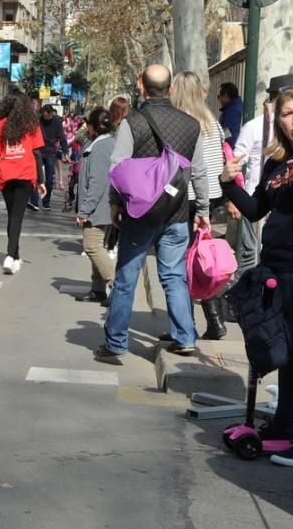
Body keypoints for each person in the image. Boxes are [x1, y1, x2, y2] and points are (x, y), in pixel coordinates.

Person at [95, 65, 210, 361]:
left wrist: (116, 203)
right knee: (174, 276)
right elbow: (199, 171)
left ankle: (116, 342)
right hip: (177, 212)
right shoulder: (190, 124)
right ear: (170, 89)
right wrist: (203, 209)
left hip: (140, 214)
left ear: (140, 86)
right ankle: (184, 336)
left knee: (126, 278)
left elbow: (117, 168)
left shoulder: (132, 123)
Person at [219, 84, 293, 465]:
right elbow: (254, 210)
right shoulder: (277, 163)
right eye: (287, 113)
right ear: (276, 119)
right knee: (284, 353)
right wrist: (226, 183)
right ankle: (284, 428)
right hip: (276, 270)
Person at [170, 71, 227, 340]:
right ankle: (213, 320)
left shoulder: (184, 122)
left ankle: (185, 328)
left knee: (182, 263)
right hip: (213, 196)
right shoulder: (211, 121)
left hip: (190, 197)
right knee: (201, 259)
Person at [0, 91, 46, 274]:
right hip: (26, 175)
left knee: (13, 216)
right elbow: (37, 154)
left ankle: (13, 255)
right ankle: (12, 255)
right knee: (16, 217)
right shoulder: (31, 124)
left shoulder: (0, 125)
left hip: (7, 175)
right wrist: (42, 180)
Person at [74, 107, 116, 304]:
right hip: (104, 205)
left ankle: (116, 285)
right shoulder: (104, 142)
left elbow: (97, 182)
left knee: (91, 246)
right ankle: (97, 289)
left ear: (92, 126)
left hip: (98, 207)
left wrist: (84, 209)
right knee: (97, 245)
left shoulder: (100, 147)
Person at [32, 104, 68, 210]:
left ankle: (46, 201)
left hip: (51, 152)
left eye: (49, 115)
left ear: (52, 113)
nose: (48, 118)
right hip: (38, 150)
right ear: (42, 113)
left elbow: (62, 137)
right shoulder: (38, 120)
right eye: (45, 115)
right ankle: (34, 201)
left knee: (49, 179)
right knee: (35, 176)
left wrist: (65, 151)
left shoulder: (56, 121)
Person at [217, 82, 244, 149]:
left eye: (219, 97)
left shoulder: (232, 112)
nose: (219, 100)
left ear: (225, 96)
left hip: (229, 149)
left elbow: (229, 135)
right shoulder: (234, 107)